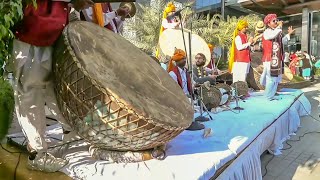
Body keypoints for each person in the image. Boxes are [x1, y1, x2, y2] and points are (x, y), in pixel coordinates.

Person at [12, 0, 93, 172]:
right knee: (30, 94)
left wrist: (75, 10)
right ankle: (37, 154)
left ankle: (71, 133)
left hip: (51, 39)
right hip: (28, 37)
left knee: (54, 90)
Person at [167, 49, 204, 131]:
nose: (184, 60)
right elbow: (174, 91)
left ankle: (193, 120)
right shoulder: (172, 74)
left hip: (189, 97)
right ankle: (188, 123)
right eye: (182, 59)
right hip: (180, 100)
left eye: (184, 59)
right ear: (177, 61)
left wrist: (195, 85)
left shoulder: (186, 71)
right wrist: (184, 96)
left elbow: (191, 83)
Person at [260, 14, 295, 100]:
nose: (276, 22)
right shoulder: (267, 32)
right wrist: (279, 27)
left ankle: (272, 94)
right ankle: (268, 96)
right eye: (274, 21)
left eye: (276, 20)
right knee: (271, 78)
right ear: (268, 24)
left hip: (276, 59)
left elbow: (282, 41)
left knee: (276, 78)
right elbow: (272, 35)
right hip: (269, 59)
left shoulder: (276, 31)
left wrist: (288, 34)